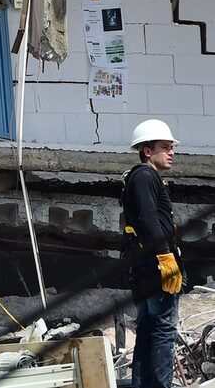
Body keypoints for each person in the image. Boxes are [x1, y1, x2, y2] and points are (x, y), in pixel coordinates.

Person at [122, 119, 184, 388]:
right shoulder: (146, 176)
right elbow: (148, 218)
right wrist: (165, 256)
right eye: (165, 147)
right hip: (155, 268)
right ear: (148, 151)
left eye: (172, 148)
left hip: (143, 268)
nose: (171, 152)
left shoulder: (139, 179)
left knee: (147, 331)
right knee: (162, 331)